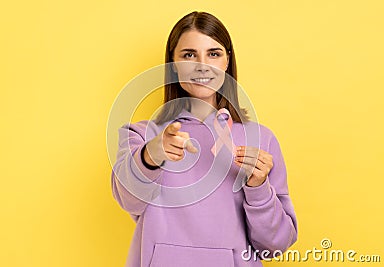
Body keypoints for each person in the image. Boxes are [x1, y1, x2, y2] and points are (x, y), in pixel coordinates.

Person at [111, 11, 297, 267]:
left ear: (227, 61)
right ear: (173, 64)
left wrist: (258, 188)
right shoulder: (141, 135)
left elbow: (275, 245)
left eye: (213, 53)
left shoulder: (261, 139)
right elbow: (128, 200)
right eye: (189, 54)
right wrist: (149, 157)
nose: (202, 65)